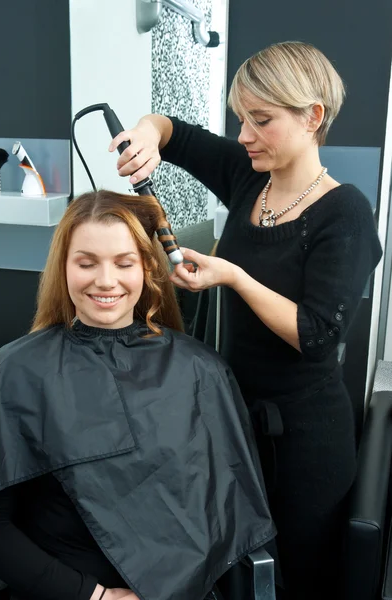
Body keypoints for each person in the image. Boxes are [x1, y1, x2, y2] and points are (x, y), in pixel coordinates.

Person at [109, 41, 383, 599]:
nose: (244, 136)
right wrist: (144, 133)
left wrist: (234, 277)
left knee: (296, 579)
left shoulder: (344, 211)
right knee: (232, 574)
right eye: (241, 119)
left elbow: (317, 334)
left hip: (306, 446)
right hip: (232, 426)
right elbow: (172, 131)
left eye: (262, 120)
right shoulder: (247, 177)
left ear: (312, 117)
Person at [0, 191, 275, 600]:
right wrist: (94, 596)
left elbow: (227, 519)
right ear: (64, 267)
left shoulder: (201, 370)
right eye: (86, 263)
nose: (106, 280)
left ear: (147, 268)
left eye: (124, 263)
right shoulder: (18, 371)